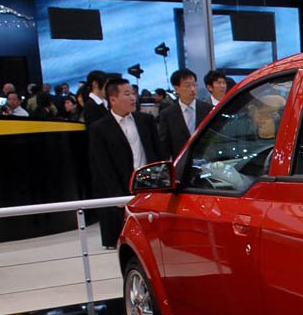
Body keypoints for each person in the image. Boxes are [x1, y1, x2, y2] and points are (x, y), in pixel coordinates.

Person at [87, 78, 165, 248]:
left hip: (149, 184)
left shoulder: (145, 120)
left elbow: (158, 153)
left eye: (133, 93)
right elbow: (103, 165)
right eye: (127, 94)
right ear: (113, 99)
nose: (132, 98)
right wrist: (116, 195)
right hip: (122, 188)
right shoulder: (99, 128)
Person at [158, 68, 211, 159]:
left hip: (206, 160)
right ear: (176, 89)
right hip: (182, 163)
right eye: (187, 86)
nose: (193, 89)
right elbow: (164, 145)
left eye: (194, 85)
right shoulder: (167, 114)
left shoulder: (208, 109)